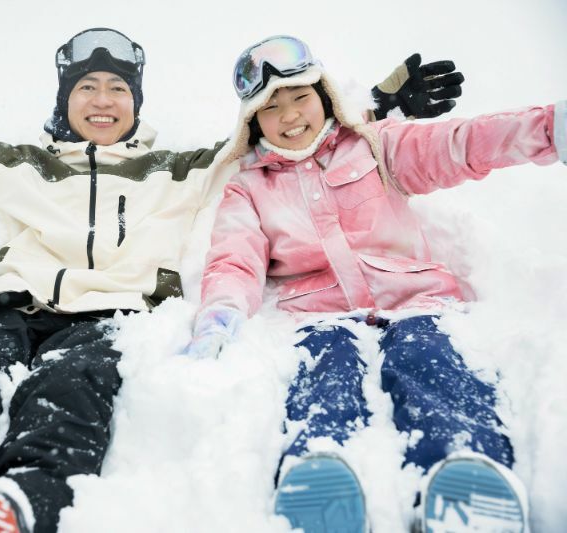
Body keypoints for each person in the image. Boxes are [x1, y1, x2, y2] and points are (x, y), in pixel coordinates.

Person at [0, 2, 466, 532]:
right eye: (87, 87)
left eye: (118, 89)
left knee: (67, 404)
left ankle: (12, 503)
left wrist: (379, 102)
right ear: (64, 102)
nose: (103, 99)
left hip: (110, 315)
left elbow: (280, 133)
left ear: (136, 103)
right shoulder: (19, 166)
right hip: (10, 307)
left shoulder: (183, 170)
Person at [185, 35, 564, 533]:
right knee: (325, 378)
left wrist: (549, 129)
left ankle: (466, 466)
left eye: (300, 96)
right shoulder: (250, 187)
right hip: (319, 314)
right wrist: (220, 315)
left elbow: (460, 143)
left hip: (416, 303)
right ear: (253, 121)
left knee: (430, 364)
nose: (290, 114)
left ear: (325, 98)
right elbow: (234, 259)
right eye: (270, 106)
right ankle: (320, 472)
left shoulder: (375, 146)